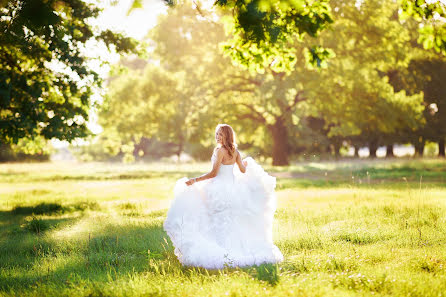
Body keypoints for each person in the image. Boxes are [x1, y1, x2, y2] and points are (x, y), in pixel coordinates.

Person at [163, 124, 283, 269]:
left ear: (227, 136)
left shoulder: (220, 151)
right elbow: (243, 170)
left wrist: (195, 180)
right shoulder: (235, 152)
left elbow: (213, 173)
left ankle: (221, 249)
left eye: (220, 134)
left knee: (215, 218)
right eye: (217, 133)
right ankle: (232, 248)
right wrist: (246, 164)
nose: (217, 136)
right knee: (229, 220)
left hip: (218, 189)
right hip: (233, 190)